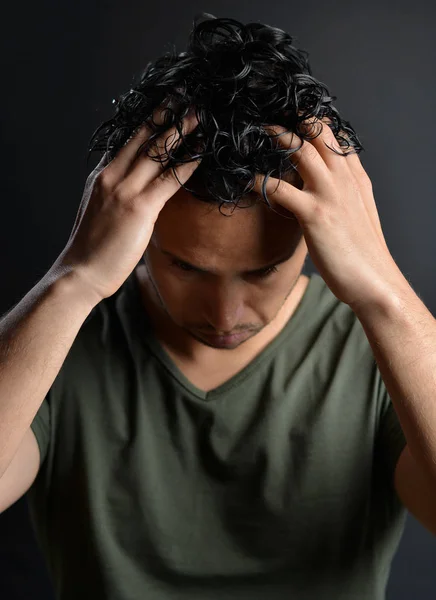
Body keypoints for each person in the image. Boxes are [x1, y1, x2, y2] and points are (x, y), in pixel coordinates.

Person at [0, 13, 412, 600]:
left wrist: (383, 290)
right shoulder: (56, 344)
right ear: (138, 232)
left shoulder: (381, 350)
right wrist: (76, 277)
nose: (225, 316)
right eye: (185, 266)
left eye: (263, 270)